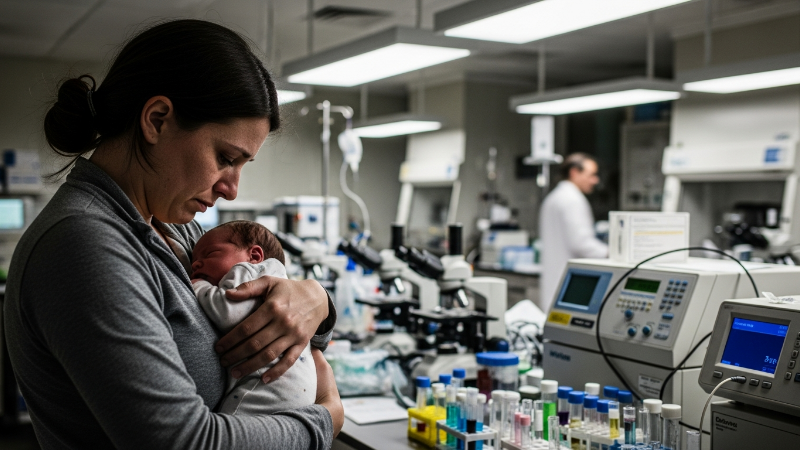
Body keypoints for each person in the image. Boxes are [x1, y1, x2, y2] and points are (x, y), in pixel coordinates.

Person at [4, 20, 342, 449]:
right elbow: (181, 442)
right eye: (226, 158)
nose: (231, 189)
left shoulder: (176, 228)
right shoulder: (84, 244)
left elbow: (287, 330)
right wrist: (323, 422)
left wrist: (317, 303)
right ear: (157, 120)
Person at [191, 220, 316, 415]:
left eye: (210, 254)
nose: (195, 264)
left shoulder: (249, 270)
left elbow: (228, 312)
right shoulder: (274, 277)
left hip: (267, 387)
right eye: (194, 260)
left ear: (254, 256)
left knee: (227, 429)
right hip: (289, 387)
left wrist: (198, 286)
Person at [539, 153, 609, 311]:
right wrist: (612, 253)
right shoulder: (573, 200)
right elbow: (581, 243)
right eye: (591, 175)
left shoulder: (554, 197)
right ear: (574, 172)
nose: (595, 180)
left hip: (555, 279)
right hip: (569, 284)